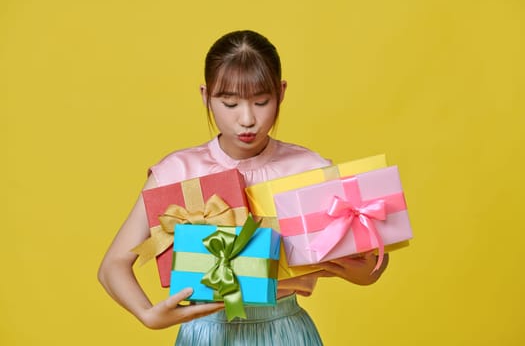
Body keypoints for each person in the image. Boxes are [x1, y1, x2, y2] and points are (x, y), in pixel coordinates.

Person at [98, 29, 389, 345]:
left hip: (284, 332)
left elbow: (372, 265)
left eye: (261, 101)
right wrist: (148, 315)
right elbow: (112, 265)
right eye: (230, 103)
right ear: (206, 96)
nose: (247, 119)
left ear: (281, 93)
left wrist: (360, 269)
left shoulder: (309, 169)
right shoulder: (177, 171)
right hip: (207, 333)